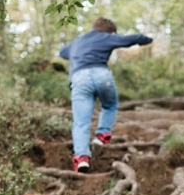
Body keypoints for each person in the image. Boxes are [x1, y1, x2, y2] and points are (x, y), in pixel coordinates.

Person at [57, 18, 153, 172]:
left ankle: (81, 158)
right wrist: (147, 38)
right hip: (101, 75)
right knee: (110, 105)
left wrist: (78, 53)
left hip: (79, 79)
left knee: (81, 122)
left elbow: (62, 52)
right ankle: (101, 136)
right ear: (110, 31)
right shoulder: (106, 37)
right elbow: (130, 40)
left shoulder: (78, 41)